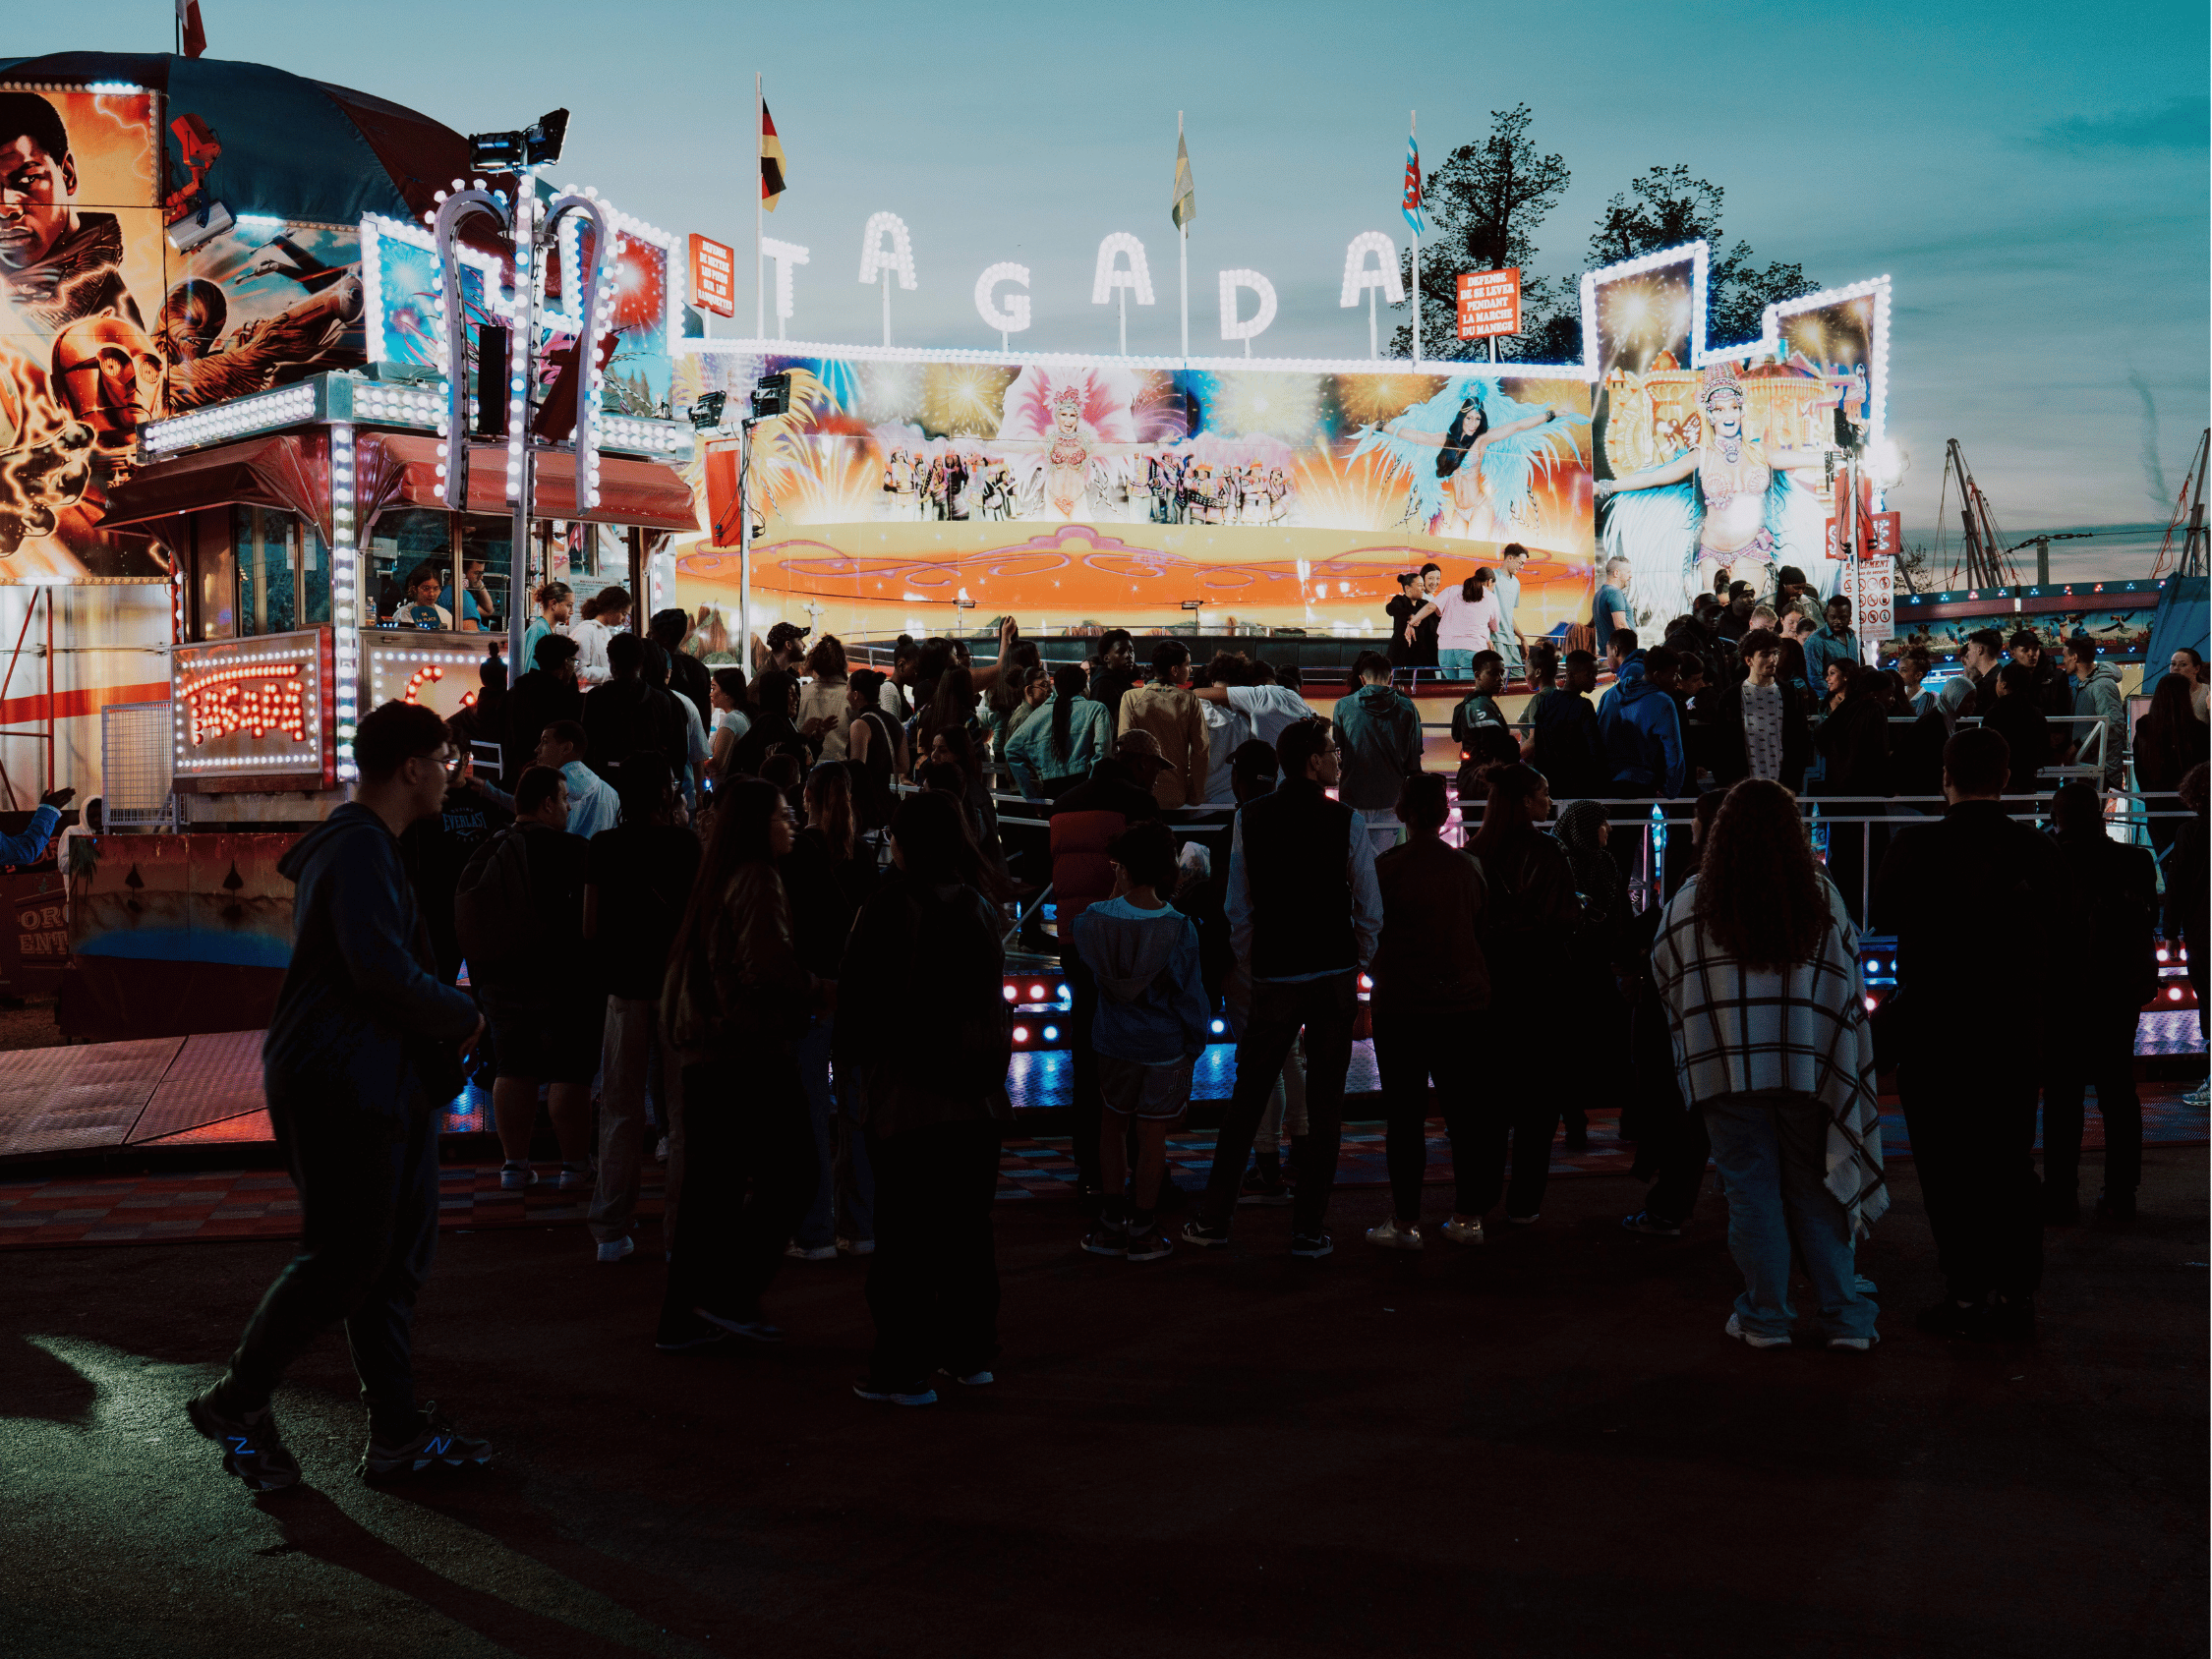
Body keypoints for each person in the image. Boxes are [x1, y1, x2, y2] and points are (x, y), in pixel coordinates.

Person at [188, 703, 489, 1492]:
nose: (455, 772)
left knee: (385, 1262)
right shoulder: (358, 849)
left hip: (369, 1075)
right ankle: (239, 1399)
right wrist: (462, 1011)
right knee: (350, 1255)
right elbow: (378, 969)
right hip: (346, 1080)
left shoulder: (366, 846)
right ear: (412, 766)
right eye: (446, 757)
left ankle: (395, 1432)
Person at [1651, 778, 1887, 1350]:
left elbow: (1665, 973)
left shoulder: (1693, 901)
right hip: (1809, 1069)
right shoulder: (1821, 898)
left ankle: (1766, 1318)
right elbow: (1846, 983)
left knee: (1750, 1194)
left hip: (1725, 1071)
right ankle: (1844, 1319)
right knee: (1818, 1190)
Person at [1873, 725, 2061, 1342]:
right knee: (2008, 1163)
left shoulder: (1911, 850)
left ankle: (1965, 1292)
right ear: (2006, 779)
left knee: (1946, 1168)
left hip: (1935, 1029)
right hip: (2010, 1028)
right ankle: (2016, 1291)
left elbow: (1890, 916)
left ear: (1944, 778)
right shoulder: (2036, 851)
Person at [836, 791, 1013, 1403]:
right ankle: (969, 1353)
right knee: (967, 1229)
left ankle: (902, 1367)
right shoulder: (977, 907)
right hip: (979, 1101)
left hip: (908, 1099)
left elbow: (858, 1004)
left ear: (903, 844)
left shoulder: (886, 907)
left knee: (905, 1234)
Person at [1185, 716, 1382, 1259]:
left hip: (1274, 974)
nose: (1338, 757)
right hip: (1332, 975)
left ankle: (1214, 1219)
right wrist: (1356, 958)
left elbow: (1237, 907)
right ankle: (1308, 1228)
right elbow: (1368, 905)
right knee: (1324, 1106)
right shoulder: (1345, 820)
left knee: (1247, 1099)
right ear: (1313, 763)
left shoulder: (1251, 817)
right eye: (1331, 751)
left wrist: (1254, 963)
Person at [656, 779, 822, 1354]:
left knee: (712, 1189)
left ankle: (684, 1315)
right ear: (757, 824)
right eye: (782, 813)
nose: (791, 821)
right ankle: (729, 1294)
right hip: (746, 1049)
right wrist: (818, 990)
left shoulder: (715, 876)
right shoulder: (756, 878)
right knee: (795, 1172)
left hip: (706, 1050)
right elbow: (768, 965)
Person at [1072, 819, 1210, 1262]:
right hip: (1164, 1046)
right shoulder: (1180, 927)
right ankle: (1145, 1225)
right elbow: (1192, 996)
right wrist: (1194, 1043)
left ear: (1124, 868)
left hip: (1113, 1042)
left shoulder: (1092, 922)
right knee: (1153, 1136)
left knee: (1111, 1126)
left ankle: (1111, 1221)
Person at [1364, 772, 1490, 1250]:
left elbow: (1372, 932)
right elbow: (1481, 933)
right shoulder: (1468, 868)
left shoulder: (1388, 867)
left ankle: (1406, 1221)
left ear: (1403, 812)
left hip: (1404, 1005)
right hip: (1464, 1003)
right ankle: (1468, 1216)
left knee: (1405, 1116)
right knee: (1465, 1114)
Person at [582, 751, 699, 1265]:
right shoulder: (686, 846)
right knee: (683, 1115)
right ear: (662, 792)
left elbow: (589, 926)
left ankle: (610, 1227)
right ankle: (680, 1235)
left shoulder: (604, 846)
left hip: (625, 989)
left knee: (621, 1109)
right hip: (678, 992)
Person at [458, 763, 598, 1193]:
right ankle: (575, 1167)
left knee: (513, 1068)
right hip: (565, 982)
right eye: (565, 800)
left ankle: (513, 1167)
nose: (569, 809)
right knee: (569, 1073)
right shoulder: (575, 851)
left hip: (501, 982)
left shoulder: (485, 850)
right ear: (547, 803)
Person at [1464, 765, 1579, 1223]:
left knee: (1489, 1101)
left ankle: (1481, 1193)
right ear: (1525, 802)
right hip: (1540, 984)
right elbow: (1565, 919)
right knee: (1537, 1101)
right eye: (1544, 794)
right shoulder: (1546, 852)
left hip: (1489, 987)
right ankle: (1525, 1202)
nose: (1549, 802)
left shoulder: (1474, 853)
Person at [2040, 782, 2157, 1225]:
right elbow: (2149, 920)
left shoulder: (2046, 859)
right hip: (2114, 991)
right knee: (2118, 1093)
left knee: (2062, 1095)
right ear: (2100, 815)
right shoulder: (2133, 861)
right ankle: (2120, 1195)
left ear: (2058, 816)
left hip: (2061, 993)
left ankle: (2060, 1193)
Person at [782, 764, 881, 1260]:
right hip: (857, 992)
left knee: (810, 1114)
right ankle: (860, 1226)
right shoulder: (861, 853)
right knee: (857, 1112)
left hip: (813, 990)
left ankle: (815, 1229)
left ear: (808, 797)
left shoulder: (798, 853)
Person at [399, 736, 513, 986]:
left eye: (451, 758)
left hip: (480, 910)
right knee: (439, 982)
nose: (446, 765)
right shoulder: (427, 803)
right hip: (438, 911)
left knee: (488, 988)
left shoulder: (486, 798)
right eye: (441, 759)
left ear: (466, 757)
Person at [1553, 797, 1627, 1153]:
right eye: (1601, 823)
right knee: (1571, 1047)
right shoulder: (1559, 864)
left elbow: (1619, 917)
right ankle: (1575, 1120)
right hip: (1569, 970)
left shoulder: (1605, 864)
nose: (1608, 830)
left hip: (1595, 967)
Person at [1332, 652, 1424, 852]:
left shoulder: (1343, 706)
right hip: (1391, 797)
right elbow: (1414, 759)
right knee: (1382, 860)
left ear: (1362, 679)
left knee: (1355, 858)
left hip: (1352, 796)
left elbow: (1338, 750)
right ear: (1391, 678)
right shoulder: (1407, 707)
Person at [1706, 628, 1812, 790]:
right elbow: (1720, 746)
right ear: (1749, 660)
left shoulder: (1790, 695)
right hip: (1741, 789)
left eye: (1775, 653)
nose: (1773, 659)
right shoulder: (1731, 698)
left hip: (1782, 787)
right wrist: (1729, 787)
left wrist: (1793, 784)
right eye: (1764, 655)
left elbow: (1800, 742)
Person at [581, 632, 687, 783]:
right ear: (641, 663)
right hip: (649, 783)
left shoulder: (596, 697)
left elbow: (587, 745)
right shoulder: (661, 700)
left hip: (606, 781)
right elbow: (674, 750)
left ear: (612, 663)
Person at [1116, 640, 1208, 809]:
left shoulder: (1130, 697)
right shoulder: (1189, 699)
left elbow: (1124, 748)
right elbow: (1200, 749)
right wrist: (1197, 792)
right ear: (1174, 670)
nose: (1191, 669)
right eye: (1187, 664)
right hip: (1175, 794)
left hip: (1139, 794)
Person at [2131, 672, 2207, 865]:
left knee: (2166, 861)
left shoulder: (2144, 726)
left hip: (2156, 803)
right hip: (2188, 805)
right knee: (2192, 861)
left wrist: (2148, 793)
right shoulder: (2199, 729)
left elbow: (2139, 769)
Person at [1007, 662, 1112, 799]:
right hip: (1086, 790)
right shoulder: (1096, 709)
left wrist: (1031, 793)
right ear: (1084, 687)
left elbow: (1011, 749)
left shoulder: (1037, 715)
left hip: (1050, 793)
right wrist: (1092, 785)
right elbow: (1103, 752)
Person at [1599, 642, 1688, 799]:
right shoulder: (1663, 702)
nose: (1678, 680)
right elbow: (1674, 753)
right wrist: (1671, 791)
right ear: (1657, 675)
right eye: (1674, 674)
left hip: (1605, 783)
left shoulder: (1610, 695)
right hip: (1642, 785)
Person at [1524, 648, 1606, 799]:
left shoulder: (1546, 702)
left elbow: (1540, 747)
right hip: (1577, 786)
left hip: (1551, 784)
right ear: (1571, 675)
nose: (1594, 679)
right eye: (1590, 674)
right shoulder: (1583, 706)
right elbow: (1595, 751)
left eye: (1595, 674)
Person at [502, 633, 584, 783]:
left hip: (513, 776)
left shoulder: (514, 692)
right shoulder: (561, 698)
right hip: (547, 781)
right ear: (566, 663)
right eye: (574, 661)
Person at [1190, 658, 1313, 753]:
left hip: (1272, 779)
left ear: (1253, 683)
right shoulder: (1295, 697)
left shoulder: (1259, 694)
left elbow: (1198, 693)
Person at [532, 718, 617, 840]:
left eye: (544, 742)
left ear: (566, 748)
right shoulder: (612, 794)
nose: (537, 749)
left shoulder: (549, 791)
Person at [843, 668, 906, 830]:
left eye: (847, 689)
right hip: (888, 803)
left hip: (867, 806)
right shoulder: (896, 723)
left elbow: (858, 771)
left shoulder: (860, 725)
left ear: (856, 694)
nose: (846, 694)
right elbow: (904, 765)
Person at [729, 668, 820, 780]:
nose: (797, 698)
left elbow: (803, 761)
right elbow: (781, 766)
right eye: (791, 693)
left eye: (797, 692)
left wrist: (817, 738)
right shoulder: (770, 724)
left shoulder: (783, 722)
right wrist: (803, 736)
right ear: (778, 696)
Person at [1409, 571, 1503, 676]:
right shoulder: (1491, 597)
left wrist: (1411, 623)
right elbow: (1494, 627)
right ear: (1490, 582)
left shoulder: (1452, 589)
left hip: (1445, 651)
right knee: (1468, 689)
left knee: (1454, 689)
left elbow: (1431, 607)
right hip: (1472, 649)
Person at [2063, 638, 2125, 789]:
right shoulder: (2085, 685)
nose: (2063, 661)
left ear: (2075, 657)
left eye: (2065, 656)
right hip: (2089, 768)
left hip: (2101, 771)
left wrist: (2077, 745)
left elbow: (2114, 725)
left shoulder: (2101, 685)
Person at [1980, 663, 2051, 796]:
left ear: (2003, 684)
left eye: (1998, 680)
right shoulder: (2036, 714)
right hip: (2027, 782)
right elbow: (2044, 750)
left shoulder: (1995, 713)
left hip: (2001, 784)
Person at [1450, 650, 1516, 783]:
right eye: (1493, 673)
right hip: (1482, 781)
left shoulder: (1469, 703)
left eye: (1501, 673)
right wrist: (1512, 744)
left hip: (1472, 777)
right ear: (1478, 675)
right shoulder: (1481, 704)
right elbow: (1496, 745)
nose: (1499, 678)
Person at [650, 607, 714, 730]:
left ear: (666, 637)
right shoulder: (700, 668)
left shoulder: (658, 667)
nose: (649, 637)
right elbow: (704, 718)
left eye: (651, 632)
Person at [797, 634, 853, 762]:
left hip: (808, 769)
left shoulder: (800, 695)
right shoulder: (852, 697)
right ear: (843, 663)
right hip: (842, 770)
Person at [1938, 628, 2007, 730]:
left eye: (1969, 649)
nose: (1968, 654)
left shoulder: (1996, 683)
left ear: (1980, 650)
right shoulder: (1998, 677)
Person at [568, 584, 630, 686]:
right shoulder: (585, 631)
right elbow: (577, 671)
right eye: (623, 613)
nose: (624, 619)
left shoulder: (604, 631)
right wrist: (612, 673)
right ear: (611, 608)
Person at [1800, 595, 1862, 692]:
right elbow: (1815, 680)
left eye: (1842, 618)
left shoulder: (1851, 637)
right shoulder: (1815, 641)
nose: (1837, 621)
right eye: (1833, 617)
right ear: (1826, 615)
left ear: (1850, 616)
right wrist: (1836, 696)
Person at [1086, 629, 1141, 726]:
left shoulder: (1122, 681)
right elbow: (1101, 726)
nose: (1129, 656)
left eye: (1131, 651)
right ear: (1107, 658)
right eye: (1121, 652)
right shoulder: (1103, 684)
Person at [1491, 543, 1531, 676]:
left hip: (1511, 641)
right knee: (1498, 679)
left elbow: (1508, 615)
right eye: (1520, 563)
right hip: (1496, 640)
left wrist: (1522, 638)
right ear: (1509, 558)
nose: (1522, 567)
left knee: (1519, 677)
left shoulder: (1516, 583)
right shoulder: (1491, 578)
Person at [521, 582, 572, 670]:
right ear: (553, 604)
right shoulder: (539, 630)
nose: (572, 611)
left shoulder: (545, 628)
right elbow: (532, 671)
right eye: (569, 605)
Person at [1593, 554, 1634, 660]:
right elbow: (1620, 625)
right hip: (1621, 657)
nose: (1631, 576)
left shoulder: (1599, 594)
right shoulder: (1614, 593)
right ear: (1616, 573)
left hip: (1608, 655)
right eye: (1628, 572)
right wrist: (1635, 652)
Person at [1384, 572, 1423, 671]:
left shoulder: (1423, 604)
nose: (1423, 588)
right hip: (1400, 655)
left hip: (1419, 656)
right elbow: (1391, 608)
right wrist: (1410, 617)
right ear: (1407, 588)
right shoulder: (1400, 600)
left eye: (1423, 585)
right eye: (1419, 585)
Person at [1715, 580, 1758, 644]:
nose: (1751, 599)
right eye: (1745, 596)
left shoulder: (1758, 617)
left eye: (1751, 596)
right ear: (1733, 599)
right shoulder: (1721, 620)